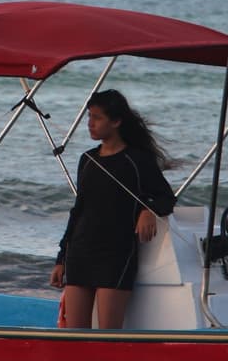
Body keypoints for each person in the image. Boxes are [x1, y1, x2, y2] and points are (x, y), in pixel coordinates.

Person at [50, 89, 175, 329]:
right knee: (75, 338)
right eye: (89, 117)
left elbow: (166, 197)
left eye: (97, 118)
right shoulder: (87, 159)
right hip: (80, 253)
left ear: (116, 122)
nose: (90, 124)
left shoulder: (137, 160)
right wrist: (61, 259)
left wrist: (147, 210)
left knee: (107, 338)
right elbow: (78, 211)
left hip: (115, 256)